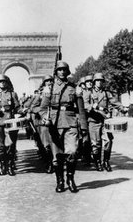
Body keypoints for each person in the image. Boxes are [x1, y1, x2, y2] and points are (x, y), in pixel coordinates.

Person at [40, 61, 87, 193]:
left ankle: (70, 178)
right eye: (59, 70)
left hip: (70, 122)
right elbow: (43, 108)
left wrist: (83, 127)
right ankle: (60, 181)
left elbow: (81, 109)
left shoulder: (74, 87)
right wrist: (45, 117)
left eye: (64, 70)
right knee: (58, 156)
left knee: (72, 152)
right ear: (56, 72)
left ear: (67, 71)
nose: (62, 72)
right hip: (54, 124)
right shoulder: (49, 88)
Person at [84, 72, 126, 172]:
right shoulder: (89, 93)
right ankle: (98, 162)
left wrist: (122, 108)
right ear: (94, 82)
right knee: (96, 144)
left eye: (101, 81)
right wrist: (93, 107)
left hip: (106, 121)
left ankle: (106, 161)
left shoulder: (106, 93)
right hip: (93, 121)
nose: (99, 83)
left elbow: (114, 102)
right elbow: (85, 104)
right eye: (97, 81)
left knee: (108, 141)